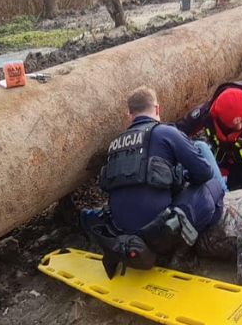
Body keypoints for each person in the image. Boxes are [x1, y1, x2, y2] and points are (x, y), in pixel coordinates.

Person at [83, 86, 226, 276]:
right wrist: (183, 179)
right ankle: (183, 251)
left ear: (129, 114)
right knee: (213, 187)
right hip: (160, 234)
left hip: (121, 231)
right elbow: (204, 173)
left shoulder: (115, 144)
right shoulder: (166, 132)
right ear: (157, 109)